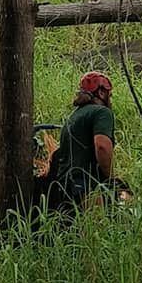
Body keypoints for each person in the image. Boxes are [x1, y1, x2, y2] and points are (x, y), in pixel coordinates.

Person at [36, 71, 116, 223]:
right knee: (95, 235)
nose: (110, 98)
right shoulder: (102, 113)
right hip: (88, 185)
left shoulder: (74, 117)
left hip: (65, 187)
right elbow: (102, 148)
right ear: (100, 92)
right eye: (108, 94)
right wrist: (111, 177)